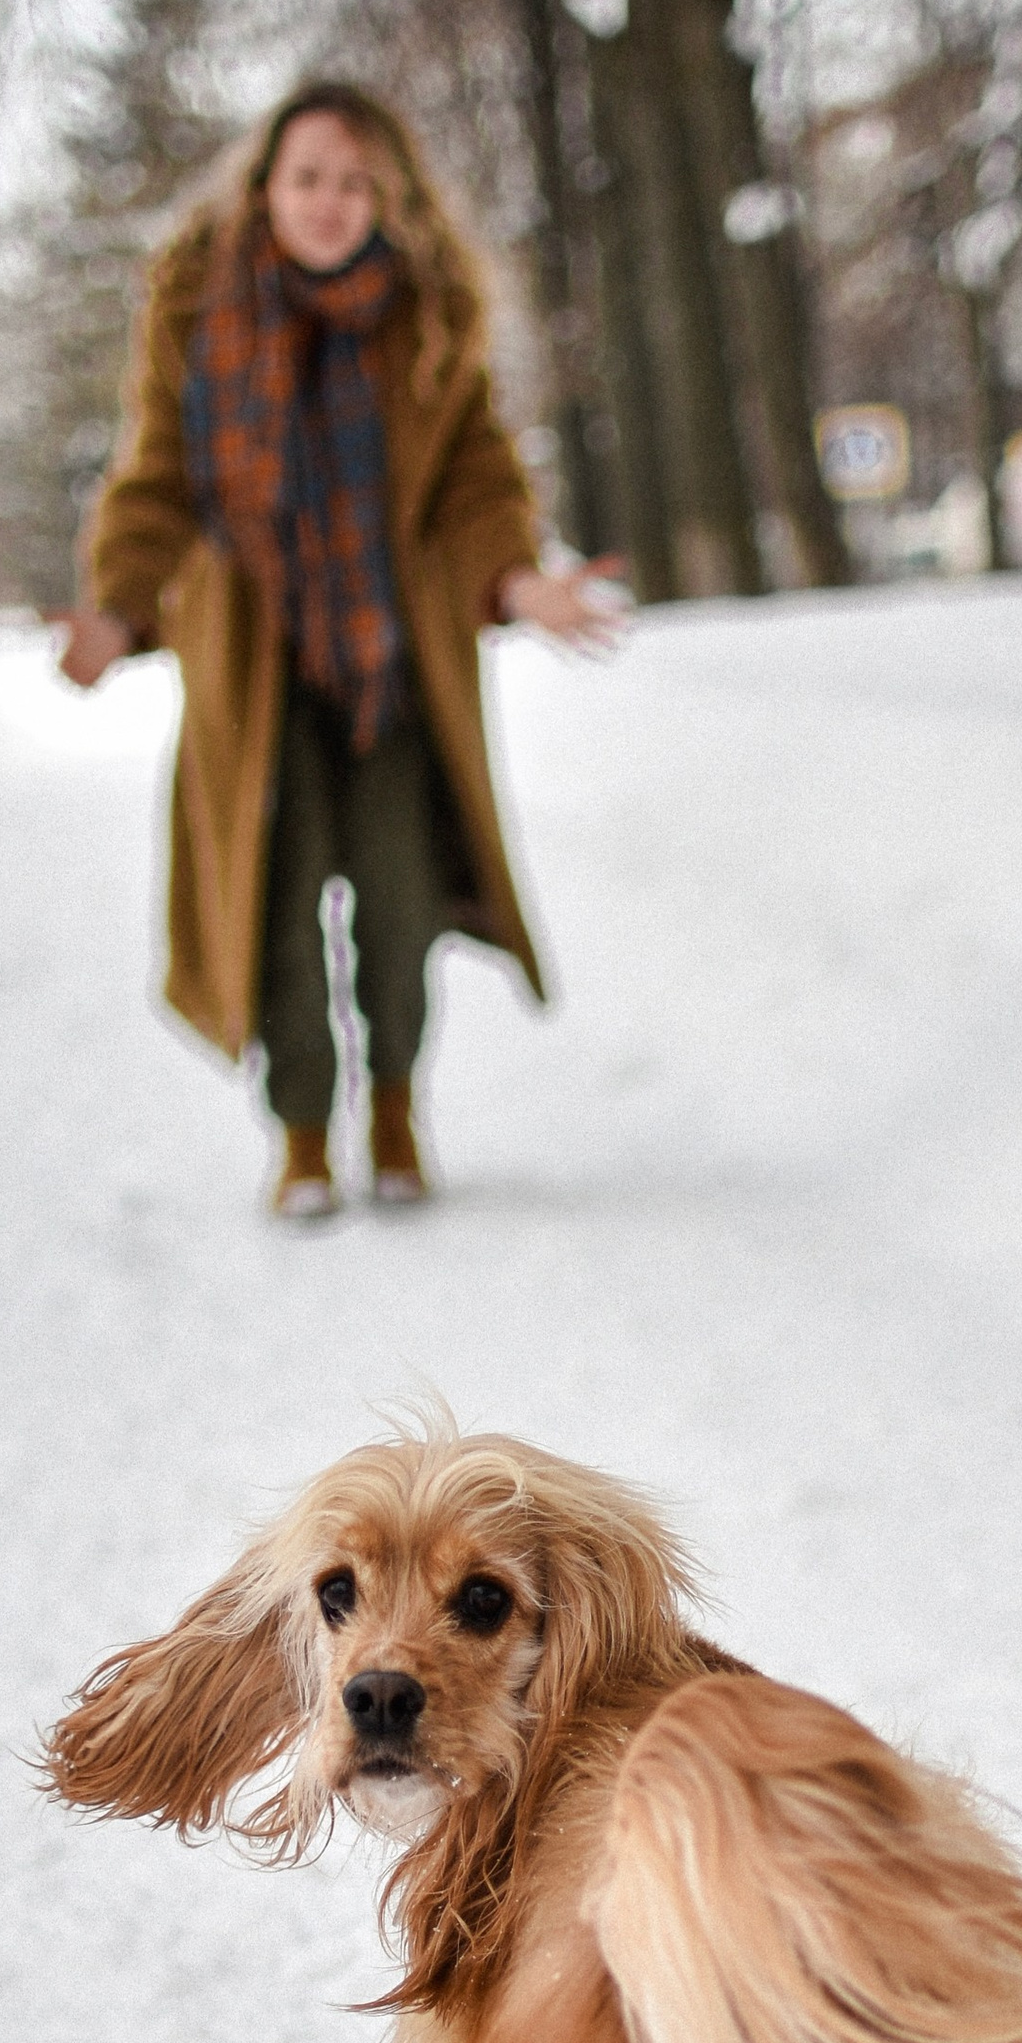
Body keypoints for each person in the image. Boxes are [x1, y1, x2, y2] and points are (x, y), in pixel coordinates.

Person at [57, 78, 620, 1217]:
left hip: (394, 662)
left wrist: (517, 580)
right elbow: (157, 476)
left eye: (355, 182)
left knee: (401, 904)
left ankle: (400, 1104)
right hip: (254, 664)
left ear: (390, 197)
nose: (329, 201)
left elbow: (477, 483)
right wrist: (115, 605)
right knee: (272, 899)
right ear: (264, 187)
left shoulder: (427, 315)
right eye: (308, 177)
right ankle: (305, 1131)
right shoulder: (196, 312)